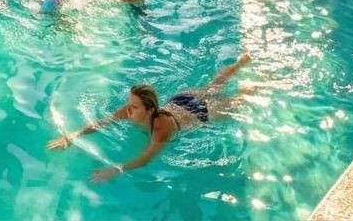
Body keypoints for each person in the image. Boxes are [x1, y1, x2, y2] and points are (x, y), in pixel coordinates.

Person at [46, 54, 254, 182]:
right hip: (181, 99)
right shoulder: (131, 110)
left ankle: (252, 84)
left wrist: (117, 168)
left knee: (240, 100)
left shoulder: (161, 130)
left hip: (199, 113)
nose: (128, 110)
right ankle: (238, 65)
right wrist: (71, 136)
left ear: (148, 110)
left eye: (134, 106)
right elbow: (100, 123)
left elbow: (146, 157)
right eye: (129, 103)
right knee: (211, 87)